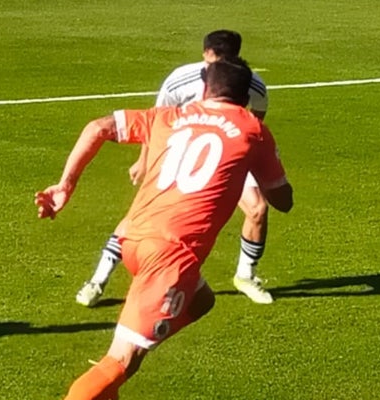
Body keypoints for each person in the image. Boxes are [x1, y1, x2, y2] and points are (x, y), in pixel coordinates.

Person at [15, 59, 292, 400]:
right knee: (123, 358)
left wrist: (65, 186)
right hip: (170, 258)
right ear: (247, 98)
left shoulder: (170, 116)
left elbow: (97, 127)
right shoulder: (253, 130)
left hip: (131, 241)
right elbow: (282, 200)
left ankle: (114, 371)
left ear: (204, 88)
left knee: (201, 300)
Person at [76, 30, 275, 307]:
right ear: (205, 54)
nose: (216, 69)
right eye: (214, 61)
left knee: (257, 208)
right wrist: (144, 161)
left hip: (225, 154)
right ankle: (98, 280)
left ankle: (245, 276)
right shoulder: (180, 80)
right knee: (140, 215)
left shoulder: (251, 85)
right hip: (178, 154)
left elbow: (255, 127)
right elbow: (155, 122)